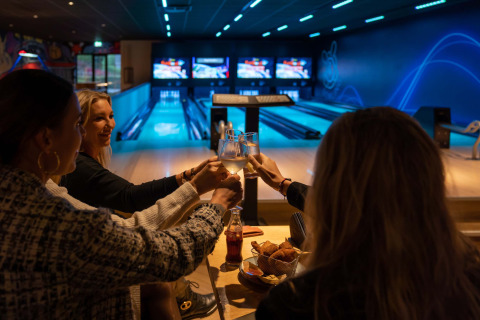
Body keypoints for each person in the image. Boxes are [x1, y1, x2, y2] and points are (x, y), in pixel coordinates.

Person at [0, 69, 243, 319]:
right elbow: (173, 255)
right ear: (45, 138)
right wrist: (217, 204)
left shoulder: (28, 193)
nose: (82, 134)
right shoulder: (65, 227)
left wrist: (192, 182)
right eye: (76, 124)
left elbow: (125, 228)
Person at [251, 107, 480, 319]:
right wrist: (283, 184)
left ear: (328, 189)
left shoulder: (294, 304)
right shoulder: (469, 278)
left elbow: (348, 206)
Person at [58, 89, 227, 319]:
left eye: (111, 115)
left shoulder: (85, 161)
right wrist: (194, 184)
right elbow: (131, 198)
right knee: (158, 244)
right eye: (99, 118)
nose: (110, 124)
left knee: (159, 233)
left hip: (96, 249)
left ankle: (183, 298)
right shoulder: (81, 168)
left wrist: (186, 176)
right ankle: (185, 300)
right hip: (95, 259)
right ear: (79, 124)